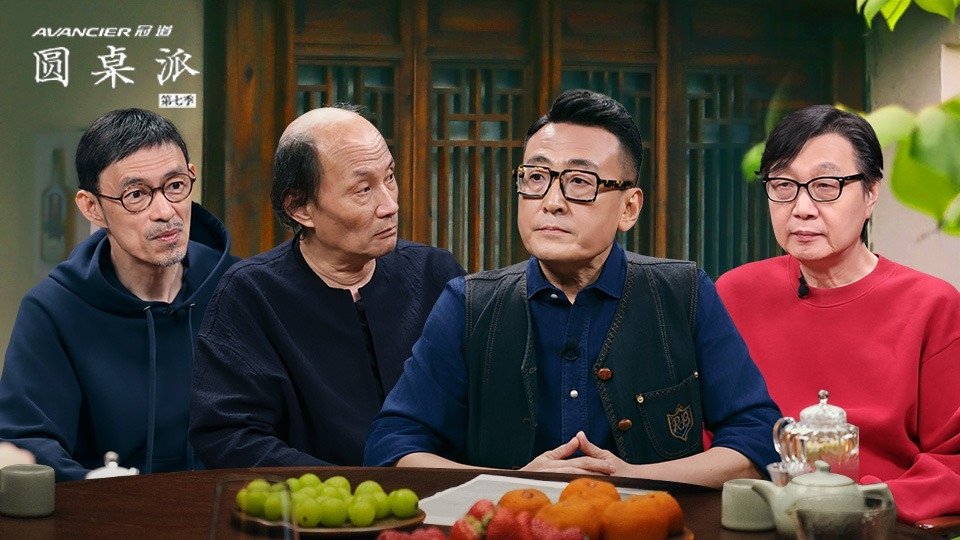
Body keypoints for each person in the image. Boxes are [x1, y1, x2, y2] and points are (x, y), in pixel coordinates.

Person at [364, 89, 781, 488]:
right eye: (536, 177)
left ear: (629, 207)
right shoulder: (468, 304)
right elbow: (392, 445)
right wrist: (513, 485)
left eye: (580, 181)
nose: (551, 201)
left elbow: (758, 436)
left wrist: (635, 481)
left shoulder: (683, 293)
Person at [716, 104, 960, 522]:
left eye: (826, 186)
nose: (802, 207)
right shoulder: (734, 292)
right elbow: (705, 434)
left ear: (871, 193)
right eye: (783, 185)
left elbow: (953, 465)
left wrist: (850, 505)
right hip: (752, 520)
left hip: (879, 525)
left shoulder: (932, 305)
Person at [189, 106, 465, 468]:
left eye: (389, 177)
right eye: (363, 189)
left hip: (440, 492)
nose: (389, 204)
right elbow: (229, 434)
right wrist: (345, 489)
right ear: (300, 207)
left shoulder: (435, 273)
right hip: (315, 499)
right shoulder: (251, 293)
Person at [0, 108, 236, 481]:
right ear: (91, 207)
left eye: (175, 186)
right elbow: (28, 440)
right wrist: (95, 486)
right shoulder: (54, 309)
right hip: (106, 510)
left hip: (235, 507)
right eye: (136, 195)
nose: (165, 212)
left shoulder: (238, 287)